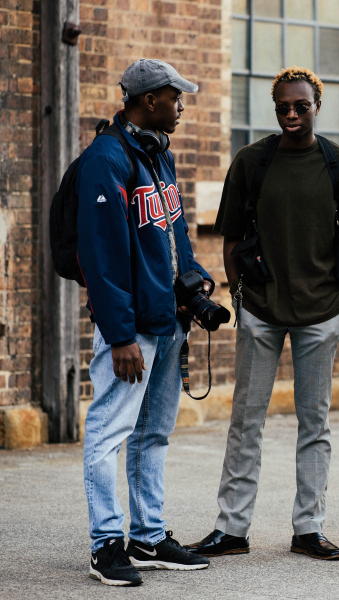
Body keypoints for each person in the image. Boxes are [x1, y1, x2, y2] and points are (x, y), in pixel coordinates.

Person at [185, 67, 339, 561]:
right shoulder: (252, 162)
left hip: (321, 312)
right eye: (283, 107)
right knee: (246, 420)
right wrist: (241, 296)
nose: (291, 114)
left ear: (317, 107)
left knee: (314, 422)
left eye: (301, 106)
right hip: (262, 311)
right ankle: (232, 529)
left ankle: (309, 528)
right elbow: (231, 236)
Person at [78, 58, 214, 586]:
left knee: (153, 433)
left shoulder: (160, 155)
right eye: (175, 97)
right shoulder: (107, 158)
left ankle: (149, 537)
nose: (181, 106)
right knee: (109, 431)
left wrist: (195, 285)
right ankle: (106, 545)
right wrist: (119, 336)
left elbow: (174, 233)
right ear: (150, 99)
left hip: (167, 319)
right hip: (131, 329)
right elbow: (102, 257)